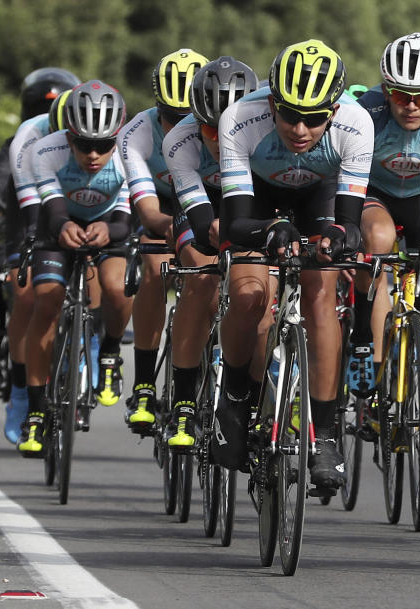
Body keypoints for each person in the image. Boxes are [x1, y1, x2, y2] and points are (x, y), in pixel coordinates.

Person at [213, 39, 374, 490]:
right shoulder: (241, 118)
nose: (300, 129)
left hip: (318, 196)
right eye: (289, 115)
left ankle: (324, 433)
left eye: (315, 118)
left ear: (335, 109)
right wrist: (268, 230)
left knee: (321, 294)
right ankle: (236, 395)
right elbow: (235, 223)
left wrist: (340, 236)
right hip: (258, 202)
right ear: (271, 103)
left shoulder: (357, 123)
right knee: (248, 294)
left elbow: (350, 223)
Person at [351, 32, 420, 496]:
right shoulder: (366, 112)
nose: (410, 106)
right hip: (378, 201)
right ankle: (368, 359)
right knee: (379, 242)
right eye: (399, 94)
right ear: (385, 89)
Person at [18, 80, 133, 455]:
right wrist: (65, 227)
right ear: (68, 136)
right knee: (46, 299)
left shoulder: (131, 155)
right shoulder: (44, 150)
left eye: (104, 145)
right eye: (84, 145)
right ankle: (35, 413)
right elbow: (51, 210)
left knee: (117, 289)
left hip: (109, 227)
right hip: (58, 228)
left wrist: (107, 229)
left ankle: (111, 351)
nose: (94, 155)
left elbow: (127, 220)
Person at [160, 56, 259, 449]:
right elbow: (204, 223)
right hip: (203, 205)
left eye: (227, 129)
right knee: (202, 276)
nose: (218, 139)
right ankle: (184, 401)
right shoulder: (179, 141)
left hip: (252, 201)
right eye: (208, 128)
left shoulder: (265, 130)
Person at [117, 49, 209, 433]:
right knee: (157, 269)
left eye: (190, 117)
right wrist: (173, 228)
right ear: (157, 108)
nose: (179, 128)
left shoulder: (224, 124)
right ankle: (142, 386)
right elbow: (150, 215)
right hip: (163, 205)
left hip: (207, 197)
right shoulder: (136, 133)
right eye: (171, 117)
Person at [2, 68, 81, 443]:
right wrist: (33, 244)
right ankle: (20, 390)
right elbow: (30, 208)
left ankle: (90, 341)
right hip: (32, 211)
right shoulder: (28, 137)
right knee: (26, 292)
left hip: (84, 207)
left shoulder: (97, 142)